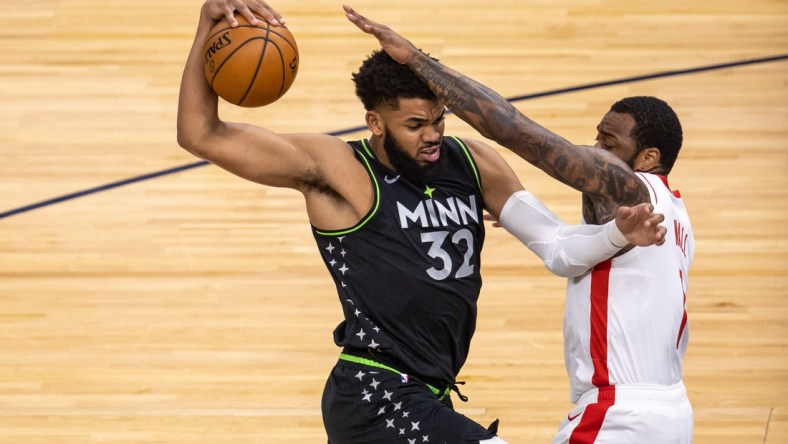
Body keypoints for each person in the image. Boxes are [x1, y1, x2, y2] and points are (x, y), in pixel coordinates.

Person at [178, 1, 667, 443]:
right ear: (375, 123)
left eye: (438, 120)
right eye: (414, 126)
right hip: (374, 390)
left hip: (429, 393)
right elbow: (201, 134)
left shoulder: (472, 162)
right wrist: (206, 28)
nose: (432, 136)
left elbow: (557, 247)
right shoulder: (338, 169)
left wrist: (616, 234)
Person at [344, 5, 695, 443]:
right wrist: (521, 217)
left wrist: (416, 60)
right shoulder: (675, 219)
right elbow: (565, 253)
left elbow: (511, 129)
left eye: (608, 144)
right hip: (672, 412)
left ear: (648, 159)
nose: (594, 151)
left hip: (620, 413)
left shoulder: (630, 191)